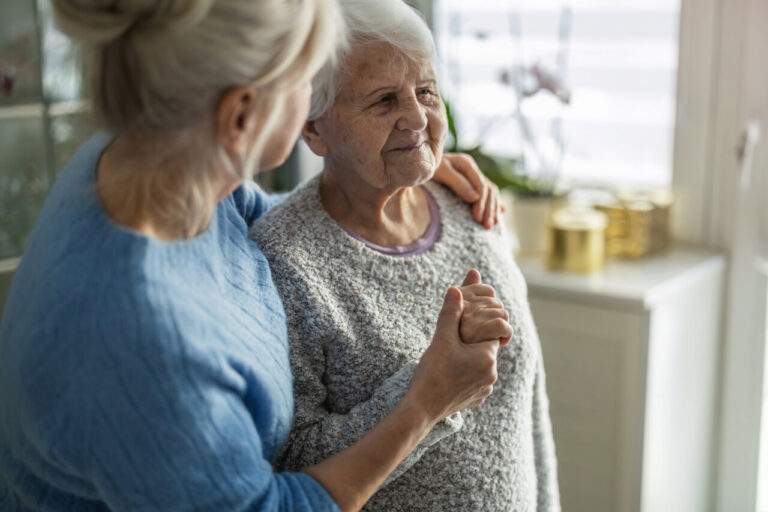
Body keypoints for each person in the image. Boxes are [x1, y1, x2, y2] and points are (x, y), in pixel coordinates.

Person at [0, 1, 512, 511]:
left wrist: (395, 168)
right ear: (241, 115)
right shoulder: (139, 343)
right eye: (309, 77)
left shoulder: (148, 159)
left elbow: (264, 211)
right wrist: (428, 401)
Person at [251, 1, 561, 510]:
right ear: (313, 129)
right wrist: (428, 388)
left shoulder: (469, 205)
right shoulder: (287, 259)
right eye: (383, 101)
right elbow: (297, 469)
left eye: (425, 91)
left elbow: (528, 404)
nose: (416, 117)